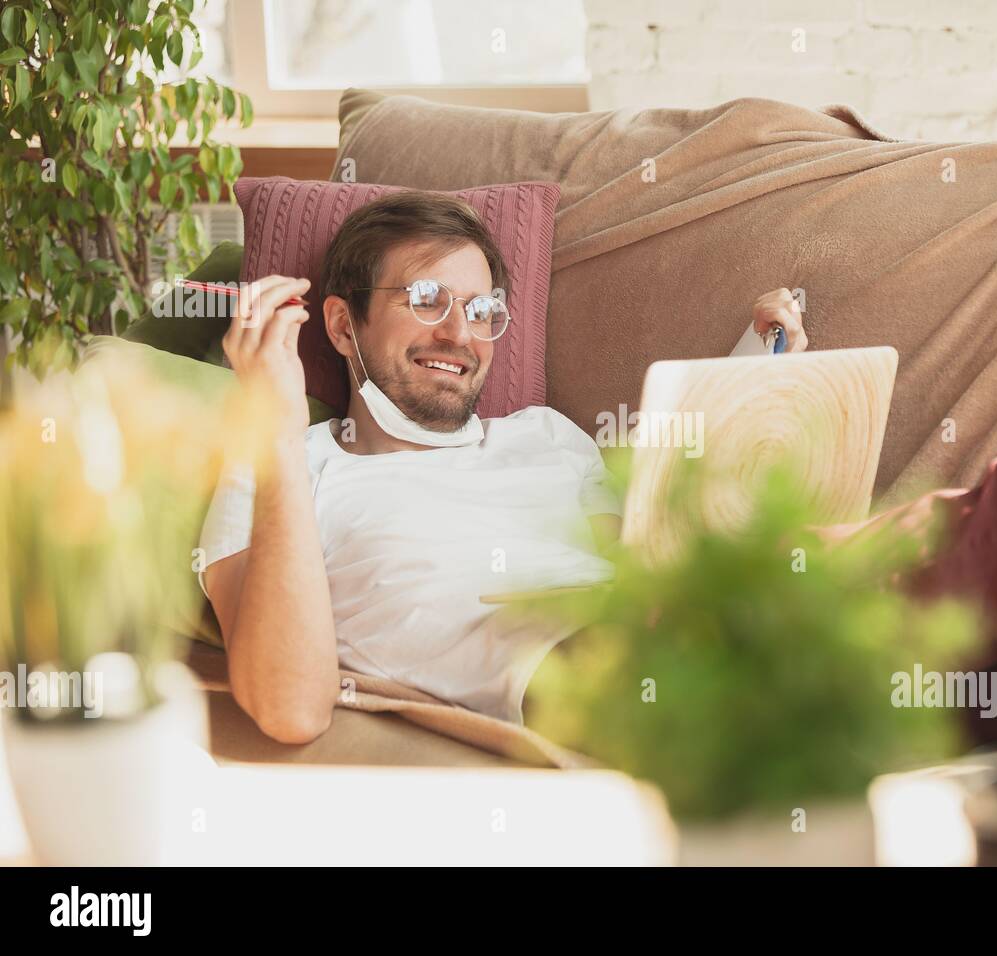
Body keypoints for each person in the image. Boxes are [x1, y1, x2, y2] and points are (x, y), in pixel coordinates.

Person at [198, 191, 809, 742]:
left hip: (675, 635)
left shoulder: (547, 437)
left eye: (483, 309)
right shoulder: (282, 467)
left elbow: (648, 561)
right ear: (341, 324)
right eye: (428, 300)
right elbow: (289, 708)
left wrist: (748, 377)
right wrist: (273, 427)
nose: (461, 334)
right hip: (592, 680)